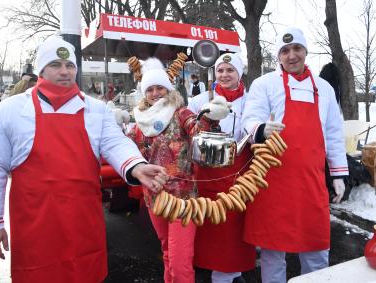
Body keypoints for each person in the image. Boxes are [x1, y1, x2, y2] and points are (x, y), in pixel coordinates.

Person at [0, 36, 168, 283]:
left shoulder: (95, 109)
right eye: (56, 64)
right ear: (41, 70)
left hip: (83, 225)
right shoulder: (11, 110)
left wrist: (137, 166)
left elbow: (116, 142)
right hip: (35, 227)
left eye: (70, 66)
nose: (64, 71)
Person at [241, 27, 349, 283]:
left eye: (297, 49)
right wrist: (261, 129)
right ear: (278, 56)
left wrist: (338, 174)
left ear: (305, 51)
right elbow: (250, 118)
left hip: (310, 183)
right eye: (285, 51)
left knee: (316, 250)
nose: (291, 56)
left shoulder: (324, 89)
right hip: (272, 183)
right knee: (272, 252)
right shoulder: (264, 84)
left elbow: (333, 134)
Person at [127, 57, 230, 283]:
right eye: (150, 89)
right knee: (167, 253)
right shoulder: (139, 122)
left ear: (168, 89)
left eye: (160, 88)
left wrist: (211, 116)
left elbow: (198, 128)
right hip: (155, 197)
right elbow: (125, 150)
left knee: (180, 261)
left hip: (183, 199)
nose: (155, 93)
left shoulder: (179, 112)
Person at [188, 53, 256, 283]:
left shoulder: (251, 101)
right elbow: (186, 127)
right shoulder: (200, 100)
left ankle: (230, 273)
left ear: (239, 73)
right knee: (210, 228)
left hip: (239, 177)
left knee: (233, 231)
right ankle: (217, 270)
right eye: (220, 70)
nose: (225, 75)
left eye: (230, 70)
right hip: (207, 176)